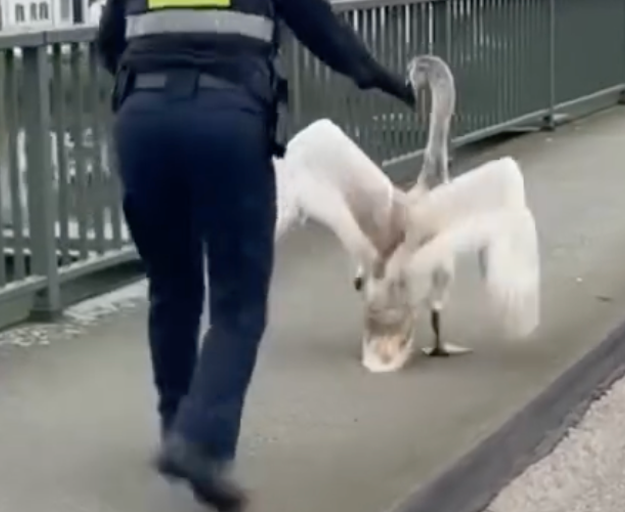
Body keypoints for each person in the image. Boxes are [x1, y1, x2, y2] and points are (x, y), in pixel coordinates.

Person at [94, 0, 416, 508]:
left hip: (142, 123)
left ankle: (177, 424)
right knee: (238, 303)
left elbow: (109, 42)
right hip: (227, 123)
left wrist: (150, 87)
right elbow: (321, 29)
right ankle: (199, 442)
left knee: (172, 287)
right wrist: (378, 75)